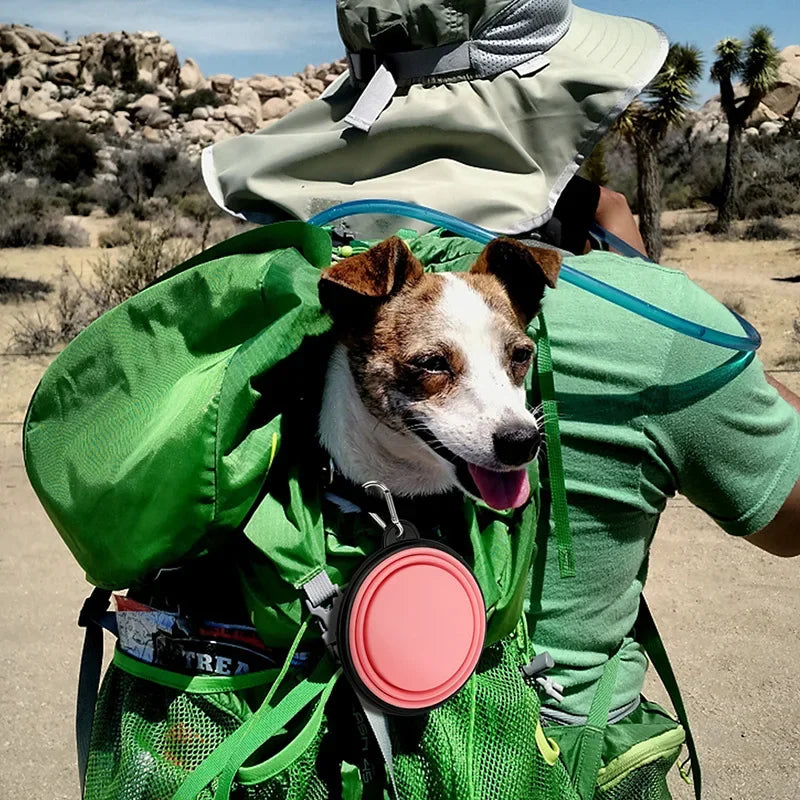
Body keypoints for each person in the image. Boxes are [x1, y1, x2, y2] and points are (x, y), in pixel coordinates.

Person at [203, 0, 800, 794]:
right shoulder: (656, 321)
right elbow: (788, 521)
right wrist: (640, 273)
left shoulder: (264, 294)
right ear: (550, 114)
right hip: (548, 765)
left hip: (297, 757)